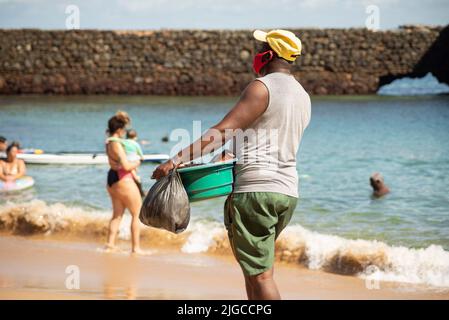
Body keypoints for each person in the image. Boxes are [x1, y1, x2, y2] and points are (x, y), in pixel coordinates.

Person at [153, 29, 311, 300]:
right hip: (286, 193)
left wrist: (175, 160)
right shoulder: (302, 95)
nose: (256, 53)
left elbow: (223, 131)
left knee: (261, 275)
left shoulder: (262, 87)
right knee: (256, 270)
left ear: (269, 54)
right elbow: (263, 135)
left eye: (260, 48)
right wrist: (229, 154)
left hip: (255, 192)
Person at [105, 111, 143, 254]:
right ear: (120, 130)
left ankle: (110, 245)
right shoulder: (116, 143)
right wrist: (138, 162)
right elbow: (127, 166)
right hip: (123, 179)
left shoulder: (108, 142)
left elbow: (114, 163)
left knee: (117, 215)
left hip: (112, 179)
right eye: (124, 130)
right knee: (137, 213)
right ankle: (136, 249)